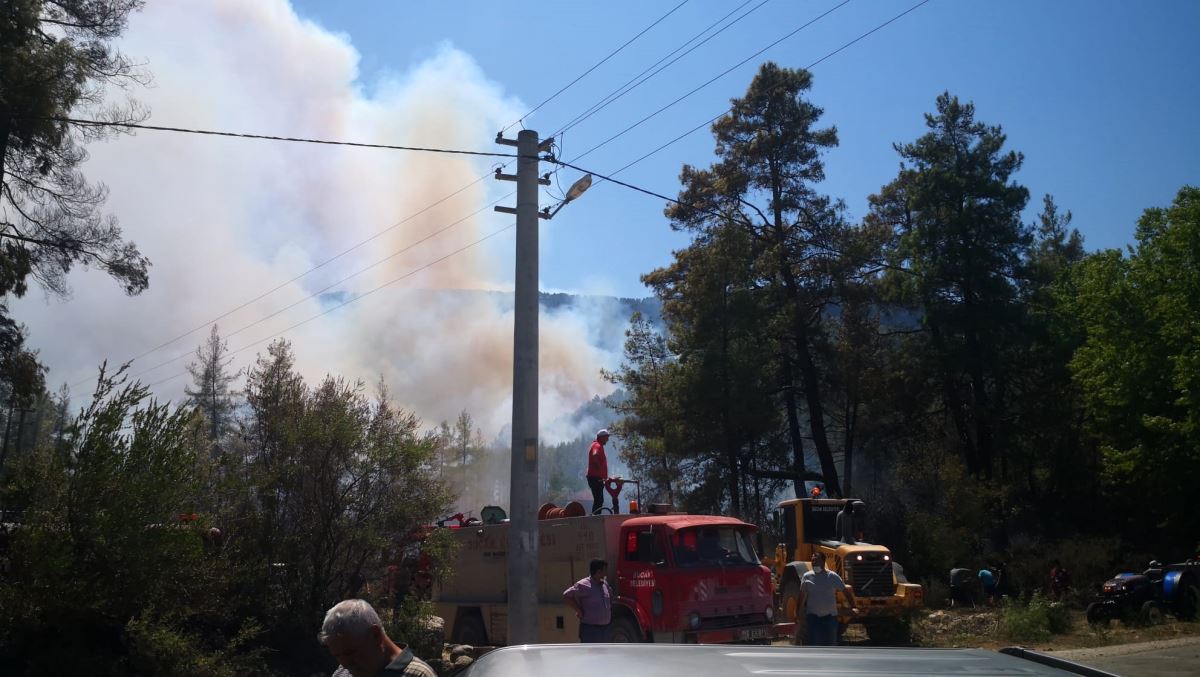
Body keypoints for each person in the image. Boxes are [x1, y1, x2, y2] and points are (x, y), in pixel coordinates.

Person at [319, 599, 436, 677]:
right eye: (337, 656)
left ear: (375, 636)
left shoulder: (418, 674)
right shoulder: (343, 673)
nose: (344, 663)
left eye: (350, 652)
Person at [797, 552, 858, 646]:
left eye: (816, 560)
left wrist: (853, 606)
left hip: (830, 619)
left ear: (823, 561)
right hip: (813, 619)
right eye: (812, 560)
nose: (814, 562)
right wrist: (797, 612)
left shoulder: (832, 576)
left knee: (830, 646)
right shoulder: (807, 576)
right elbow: (801, 596)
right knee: (814, 646)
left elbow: (846, 592)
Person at [562, 559, 612, 642]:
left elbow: (610, 598)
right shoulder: (584, 585)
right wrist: (579, 611)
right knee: (590, 654)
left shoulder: (605, 584)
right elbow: (566, 595)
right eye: (605, 570)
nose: (606, 573)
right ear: (599, 571)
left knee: (604, 654)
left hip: (605, 629)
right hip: (590, 630)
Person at [586, 429, 611, 515]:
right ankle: (595, 518)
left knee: (598, 500)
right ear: (602, 437)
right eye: (607, 437)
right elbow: (595, 455)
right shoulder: (597, 445)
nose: (608, 439)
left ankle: (595, 517)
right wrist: (600, 471)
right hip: (595, 478)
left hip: (596, 477)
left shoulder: (597, 445)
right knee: (599, 500)